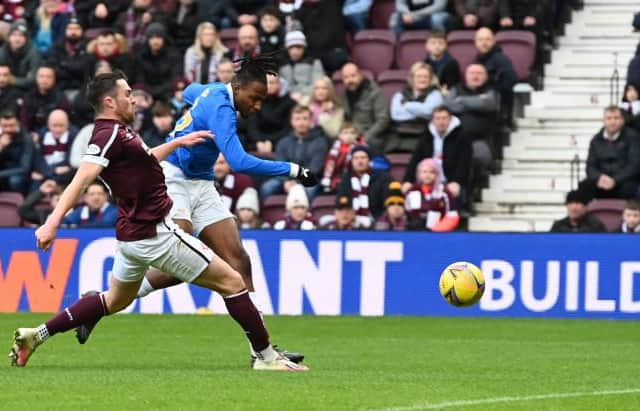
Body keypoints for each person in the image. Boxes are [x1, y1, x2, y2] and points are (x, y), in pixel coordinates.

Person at [9, 70, 308, 372]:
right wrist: (52, 222)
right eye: (128, 94)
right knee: (232, 280)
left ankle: (36, 335)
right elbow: (82, 178)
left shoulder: (121, 133)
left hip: (130, 239)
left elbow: (147, 157)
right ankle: (267, 358)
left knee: (113, 301)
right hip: (157, 234)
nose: (135, 100)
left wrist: (179, 143)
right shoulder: (108, 134)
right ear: (110, 102)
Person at [260, 104, 328, 200]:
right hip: (286, 179)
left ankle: (307, 214)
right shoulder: (284, 142)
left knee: (310, 190)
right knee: (267, 188)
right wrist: (286, 181)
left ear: (311, 121)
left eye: (305, 119)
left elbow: (314, 169)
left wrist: (297, 182)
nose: (301, 123)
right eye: (298, 119)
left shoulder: (320, 142)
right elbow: (280, 166)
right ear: (292, 121)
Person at [402, 106, 470, 199]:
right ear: (433, 120)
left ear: (450, 119)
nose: (441, 122)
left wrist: (456, 181)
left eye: (444, 118)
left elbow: (464, 163)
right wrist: (407, 180)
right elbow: (416, 159)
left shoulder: (461, 136)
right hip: (428, 178)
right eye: (437, 118)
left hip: (450, 179)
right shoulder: (427, 135)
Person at [578, 106, 640, 200]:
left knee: (629, 188)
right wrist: (599, 177)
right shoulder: (596, 140)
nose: (612, 121)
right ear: (603, 120)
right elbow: (590, 166)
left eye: (616, 118)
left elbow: (634, 165)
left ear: (622, 120)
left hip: (623, 180)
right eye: (609, 118)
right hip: (601, 180)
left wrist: (615, 180)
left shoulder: (632, 137)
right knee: (584, 186)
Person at [390, 62, 444, 152]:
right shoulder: (400, 95)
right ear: (412, 78)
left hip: (425, 133)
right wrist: (419, 113)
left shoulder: (436, 94)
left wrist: (407, 105)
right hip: (402, 132)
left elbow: (429, 111)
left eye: (425, 77)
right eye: (419, 76)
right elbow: (396, 115)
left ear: (431, 79)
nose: (422, 80)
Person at [336, 145, 392, 227]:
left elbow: (386, 202)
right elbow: (341, 201)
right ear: (351, 161)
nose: (359, 161)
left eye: (363, 158)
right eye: (356, 158)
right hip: (351, 218)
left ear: (369, 160)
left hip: (375, 218)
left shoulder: (382, 177)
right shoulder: (345, 178)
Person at [341, 62, 389, 154]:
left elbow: (383, 120)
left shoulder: (374, 92)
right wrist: (345, 134)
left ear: (360, 75)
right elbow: (345, 119)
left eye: (353, 76)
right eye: (346, 77)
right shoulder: (346, 94)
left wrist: (365, 138)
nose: (350, 80)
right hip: (352, 135)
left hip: (371, 137)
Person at [474, 27, 517, 123]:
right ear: (475, 42)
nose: (484, 43)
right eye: (480, 40)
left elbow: (510, 80)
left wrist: (491, 89)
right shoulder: (476, 59)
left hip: (496, 103)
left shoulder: (501, 59)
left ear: (494, 41)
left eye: (487, 39)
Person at [405, 158, 461, 231]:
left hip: (439, 231)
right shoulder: (413, 191)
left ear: (437, 174)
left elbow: (452, 215)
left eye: (431, 172)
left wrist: (437, 229)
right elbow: (408, 211)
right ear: (419, 174)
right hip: (416, 230)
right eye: (424, 172)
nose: (427, 175)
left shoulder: (444, 192)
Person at [246, 73, 295, 152]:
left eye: (272, 83)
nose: (268, 86)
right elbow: (252, 126)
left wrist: (270, 142)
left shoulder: (290, 103)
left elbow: (288, 129)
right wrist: (259, 141)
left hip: (279, 141)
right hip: (258, 142)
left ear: (279, 84)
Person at [20, 65, 70, 133]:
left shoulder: (61, 98)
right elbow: (24, 121)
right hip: (31, 134)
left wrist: (40, 135)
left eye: (48, 77)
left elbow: (61, 122)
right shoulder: (29, 96)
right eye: (41, 76)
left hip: (52, 133)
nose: (44, 80)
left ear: (54, 79)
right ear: (36, 78)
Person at [33, 109, 77, 186]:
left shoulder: (74, 136)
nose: (58, 129)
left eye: (61, 125)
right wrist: (53, 170)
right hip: (46, 171)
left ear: (68, 124)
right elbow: (37, 160)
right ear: (48, 125)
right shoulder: (41, 135)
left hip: (63, 176)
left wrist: (47, 173)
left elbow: (69, 162)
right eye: (54, 125)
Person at [47, 16, 91, 93]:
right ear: (65, 30)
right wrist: (74, 68)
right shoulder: (57, 46)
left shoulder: (89, 46)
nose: (73, 32)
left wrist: (64, 64)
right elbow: (53, 69)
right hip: (59, 88)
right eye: (70, 28)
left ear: (82, 30)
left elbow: (84, 69)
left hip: (82, 89)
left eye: (77, 28)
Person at [278, 30, 325, 103]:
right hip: (287, 100)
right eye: (291, 47)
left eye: (298, 47)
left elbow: (318, 84)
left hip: (309, 98)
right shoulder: (282, 65)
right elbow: (280, 86)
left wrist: (302, 94)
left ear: (304, 48)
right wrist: (290, 94)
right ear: (287, 49)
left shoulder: (314, 62)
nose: (295, 51)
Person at [321, 122, 366, 193]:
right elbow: (329, 165)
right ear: (340, 135)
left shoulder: (361, 148)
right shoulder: (335, 149)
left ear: (357, 135)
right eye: (345, 133)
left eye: (352, 133)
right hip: (337, 178)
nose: (349, 135)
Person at [0, 20, 41, 91]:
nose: (17, 38)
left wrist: (13, 80)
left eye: (21, 35)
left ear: (26, 38)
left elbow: (32, 80)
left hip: (25, 90)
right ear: (9, 37)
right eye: (14, 35)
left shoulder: (33, 53)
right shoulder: (3, 50)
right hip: (5, 85)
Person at [0, 109, 33, 193]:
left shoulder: (26, 138)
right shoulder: (1, 137)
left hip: (19, 173)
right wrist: (1, 147)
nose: (8, 129)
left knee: (15, 181)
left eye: (11, 125)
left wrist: (1, 174)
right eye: (5, 126)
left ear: (17, 123)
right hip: (4, 171)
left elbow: (24, 168)